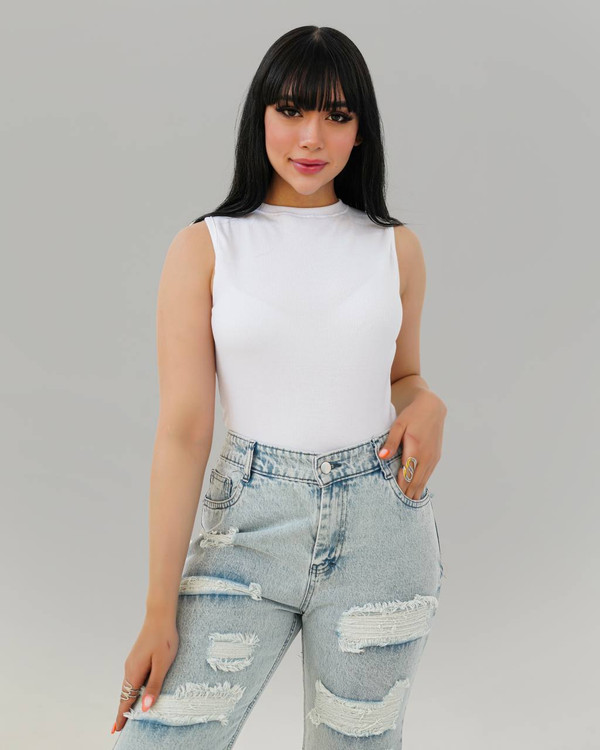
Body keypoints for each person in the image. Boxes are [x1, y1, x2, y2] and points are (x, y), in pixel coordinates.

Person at [111, 24, 448, 749]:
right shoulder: (206, 247)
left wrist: (429, 403)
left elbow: (404, 377)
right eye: (291, 109)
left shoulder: (395, 247)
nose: (311, 137)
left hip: (382, 532)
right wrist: (158, 610)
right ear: (259, 116)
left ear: (361, 130)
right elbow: (184, 433)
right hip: (249, 528)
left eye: (337, 114)